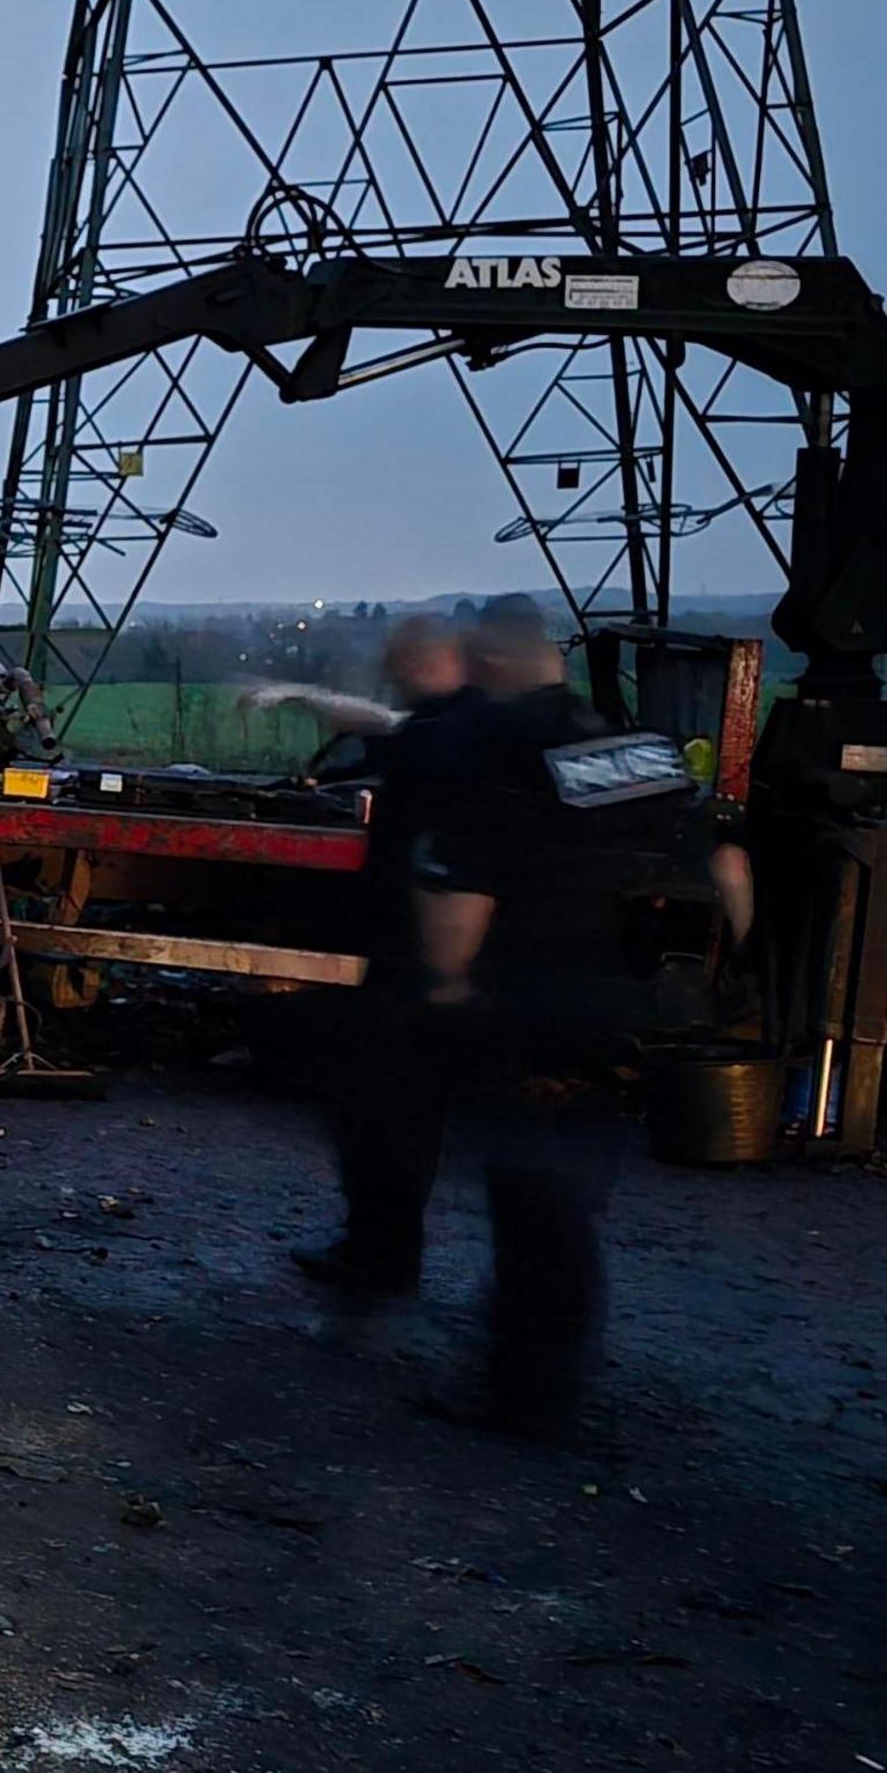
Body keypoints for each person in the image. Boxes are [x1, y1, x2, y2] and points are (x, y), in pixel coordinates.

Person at [400, 594, 659, 1442]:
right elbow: (721, 861)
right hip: (608, 1006)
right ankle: (548, 1372)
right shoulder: (624, 749)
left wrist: (443, 984)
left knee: (531, 1202)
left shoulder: (500, 753)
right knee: (566, 1206)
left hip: (526, 1003)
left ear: (498, 665)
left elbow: (462, 890)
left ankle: (524, 1394)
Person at [289, 612, 483, 1297]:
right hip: (412, 959)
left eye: (402, 663)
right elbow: (382, 725)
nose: (393, 675)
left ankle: (382, 1256)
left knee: (386, 1112)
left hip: (412, 960)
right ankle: (379, 1248)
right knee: (389, 1112)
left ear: (426, 661)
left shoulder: (447, 738)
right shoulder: (451, 727)